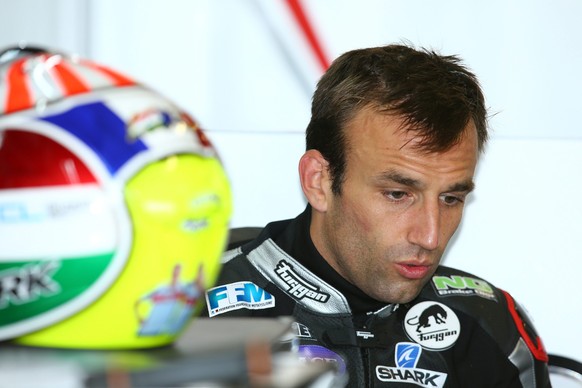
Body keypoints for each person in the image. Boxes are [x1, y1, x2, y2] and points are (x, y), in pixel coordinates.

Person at [202, 43, 551, 387]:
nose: (430, 236)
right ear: (319, 181)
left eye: (450, 198)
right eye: (398, 194)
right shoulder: (187, 311)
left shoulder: (488, 325)